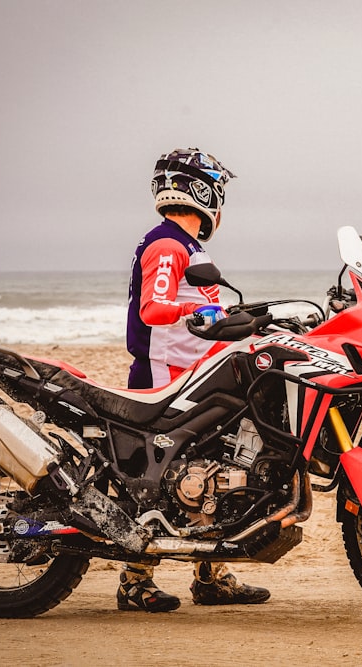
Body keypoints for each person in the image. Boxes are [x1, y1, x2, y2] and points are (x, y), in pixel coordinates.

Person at [117, 147, 270, 612]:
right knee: (156, 479)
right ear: (204, 191)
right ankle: (134, 581)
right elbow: (153, 309)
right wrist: (196, 309)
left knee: (214, 467)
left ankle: (211, 574)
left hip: (194, 376)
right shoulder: (167, 244)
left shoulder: (190, 248)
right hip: (165, 377)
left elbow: (205, 315)